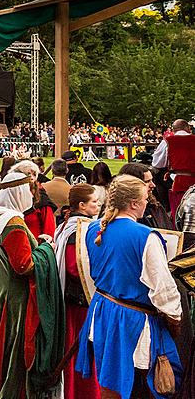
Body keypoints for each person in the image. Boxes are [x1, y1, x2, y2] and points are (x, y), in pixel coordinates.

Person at [76, 175, 183, 398]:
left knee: (110, 382)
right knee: (139, 386)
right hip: (132, 321)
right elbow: (163, 289)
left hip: (103, 312)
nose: (147, 202)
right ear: (134, 203)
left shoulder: (94, 228)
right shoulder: (144, 237)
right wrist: (175, 321)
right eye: (145, 198)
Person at [0, 171, 65, 399]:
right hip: (16, 298)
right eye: (28, 190)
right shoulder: (14, 223)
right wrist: (45, 249)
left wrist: (36, 242)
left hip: (1, 292)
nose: (31, 195)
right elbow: (24, 266)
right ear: (18, 193)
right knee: (11, 347)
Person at [54, 184, 101, 398]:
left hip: (76, 300)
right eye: (94, 202)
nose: (98, 205)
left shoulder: (71, 225)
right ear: (81, 205)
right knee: (79, 351)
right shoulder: (78, 229)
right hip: (78, 301)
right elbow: (74, 268)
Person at [120, 162, 175, 230]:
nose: (153, 185)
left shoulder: (155, 206)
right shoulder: (123, 213)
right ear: (132, 184)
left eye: (152, 180)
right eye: (147, 181)